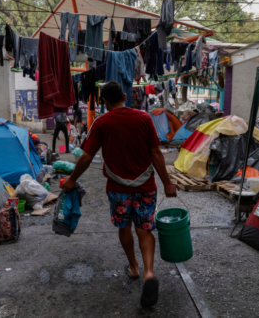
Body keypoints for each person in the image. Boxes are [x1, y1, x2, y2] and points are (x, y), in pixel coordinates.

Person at [62, 81, 179, 308]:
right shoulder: (144, 118)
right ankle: (149, 274)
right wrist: (168, 183)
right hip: (146, 186)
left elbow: (86, 157)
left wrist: (72, 179)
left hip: (117, 189)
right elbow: (156, 153)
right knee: (144, 228)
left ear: (104, 102)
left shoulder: (102, 122)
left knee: (123, 227)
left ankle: (133, 267)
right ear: (125, 96)